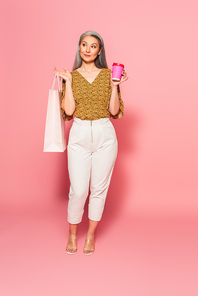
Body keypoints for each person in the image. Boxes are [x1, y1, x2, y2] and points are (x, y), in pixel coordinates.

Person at [53, 30, 128, 255]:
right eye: (84, 45)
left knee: (98, 189)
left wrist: (115, 85)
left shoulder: (108, 75)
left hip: (105, 133)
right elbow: (68, 111)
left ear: (99, 51)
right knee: (78, 190)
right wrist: (67, 82)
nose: (87, 49)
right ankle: (73, 234)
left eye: (93, 46)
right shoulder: (72, 75)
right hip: (80, 133)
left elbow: (114, 112)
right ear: (79, 48)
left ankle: (91, 236)